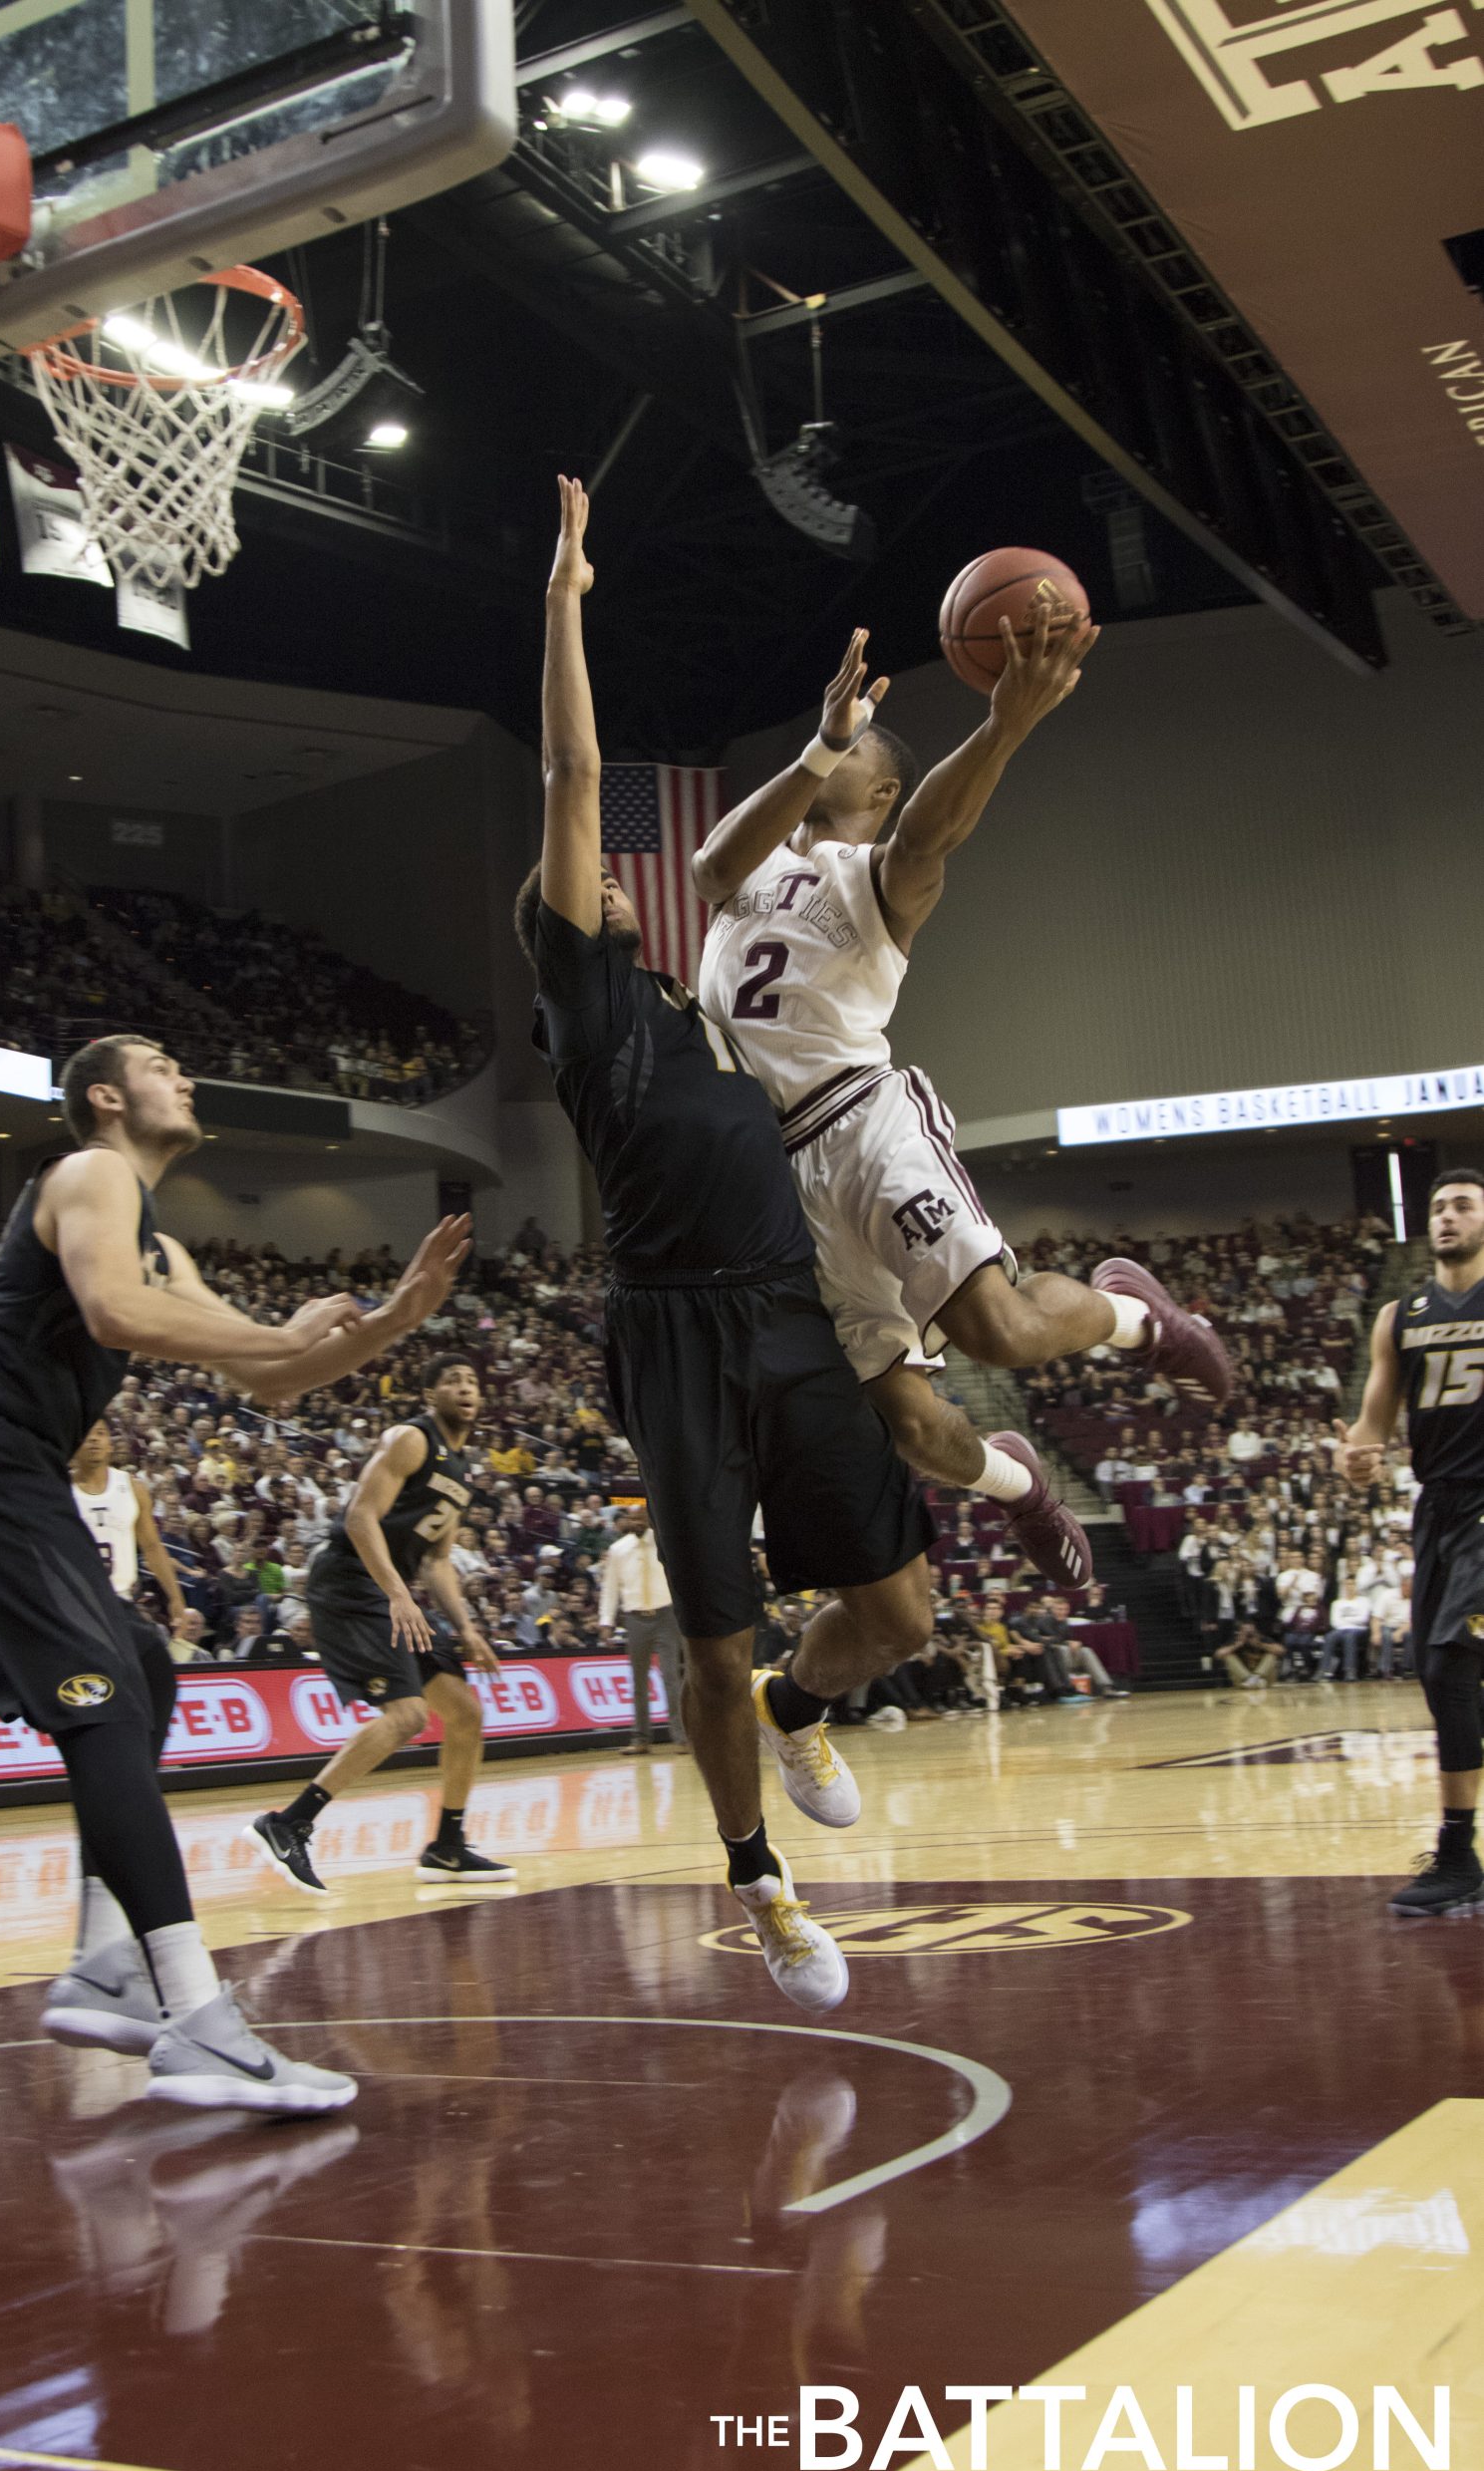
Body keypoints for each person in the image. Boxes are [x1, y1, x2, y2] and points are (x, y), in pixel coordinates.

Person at [510, 477, 937, 2014]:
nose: (616, 876)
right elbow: (572, 769)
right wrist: (566, 596)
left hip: (783, 1306)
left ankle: (801, 1699)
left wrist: (827, 751)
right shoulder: (593, 1008)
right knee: (704, 1640)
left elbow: (761, 891)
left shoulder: (710, 1014)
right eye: (592, 882)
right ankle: (756, 1879)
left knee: (897, 1615)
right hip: (674, 1330)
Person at [0, 1029, 469, 2111]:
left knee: (144, 1672)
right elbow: (118, 1316)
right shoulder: (90, 1172)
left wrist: (392, 1320)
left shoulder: (159, 1246)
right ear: (105, 1097)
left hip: (2, 1470)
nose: (184, 1075)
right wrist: (267, 1332)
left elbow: (278, 1374)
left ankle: (106, 1961)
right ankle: (194, 2016)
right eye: (159, 1065)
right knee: (106, 1706)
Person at [691, 619, 1233, 1562]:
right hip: (769, 1188)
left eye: (854, 745)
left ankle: (1141, 1319)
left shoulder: (879, 877)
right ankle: (1019, 1484)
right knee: (909, 1427)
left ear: (886, 788)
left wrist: (1005, 724)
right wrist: (821, 744)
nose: (832, 746)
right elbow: (705, 870)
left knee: (1000, 1331)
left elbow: (933, 833)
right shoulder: (756, 862)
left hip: (863, 1126)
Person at [247, 1355, 515, 1892]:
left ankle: (447, 1847)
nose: (466, 1387)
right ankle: (288, 1823)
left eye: (472, 1380)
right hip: (349, 1582)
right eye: (453, 1380)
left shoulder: (462, 1469)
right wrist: (397, 1592)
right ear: (430, 1394)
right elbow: (359, 1516)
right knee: (408, 1715)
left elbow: (437, 1560)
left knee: (464, 1713)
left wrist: (465, 1628)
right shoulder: (412, 1440)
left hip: (388, 1591)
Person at [1336, 1171, 1484, 1914]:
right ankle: (1460, 1857)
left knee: (1451, 1655)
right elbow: (1371, 1423)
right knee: (1436, 1675)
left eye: (1461, 1205)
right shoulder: (1398, 1315)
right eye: (1436, 1207)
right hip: (1437, 1509)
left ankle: (1457, 1854)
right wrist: (1355, 1456)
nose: (1446, 1217)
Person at [70, 1415, 183, 1778]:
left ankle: (142, 1771)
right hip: (78, 1606)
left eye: (101, 1433)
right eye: (87, 1434)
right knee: (136, 1676)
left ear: (111, 1443)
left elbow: (151, 1545)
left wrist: (175, 1598)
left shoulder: (130, 1487)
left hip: (120, 1601)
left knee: (157, 1675)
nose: (94, 1441)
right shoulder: (58, 1490)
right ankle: (132, 1774)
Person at [597, 1502, 686, 1755]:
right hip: (634, 1619)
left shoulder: (663, 1544)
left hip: (666, 1616)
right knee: (637, 1682)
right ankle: (640, 1738)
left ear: (649, 1519)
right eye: (632, 1518)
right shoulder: (617, 1550)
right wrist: (606, 1621)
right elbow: (610, 1588)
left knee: (671, 1678)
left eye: (641, 1518)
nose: (636, 1523)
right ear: (626, 1520)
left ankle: (681, 1737)